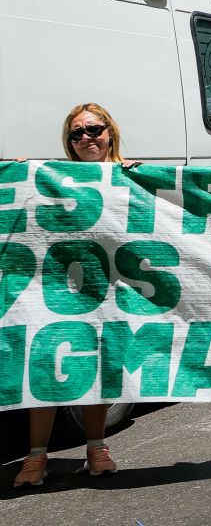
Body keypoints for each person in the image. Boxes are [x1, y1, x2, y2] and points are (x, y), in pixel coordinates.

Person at [12, 105, 126, 488]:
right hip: (58, 288)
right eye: (76, 134)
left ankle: (96, 449)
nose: (85, 139)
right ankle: (36, 457)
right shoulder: (56, 178)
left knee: (96, 370)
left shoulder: (133, 176)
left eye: (93, 130)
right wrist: (21, 177)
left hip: (107, 289)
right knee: (44, 368)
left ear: (110, 131)